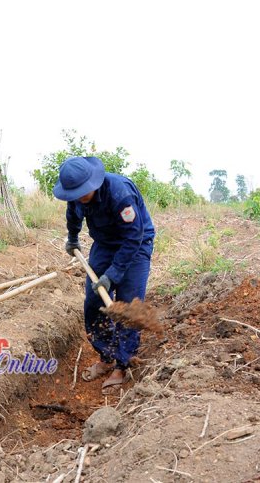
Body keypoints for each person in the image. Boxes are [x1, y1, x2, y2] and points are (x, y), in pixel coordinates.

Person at [53, 156, 156, 390]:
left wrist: (113, 274)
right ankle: (106, 355)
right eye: (74, 194)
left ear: (93, 183)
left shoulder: (120, 194)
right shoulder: (76, 195)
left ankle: (122, 364)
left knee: (127, 305)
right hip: (104, 244)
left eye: (82, 193)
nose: (79, 197)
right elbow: (73, 214)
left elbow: (133, 236)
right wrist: (72, 238)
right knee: (93, 302)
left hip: (135, 244)